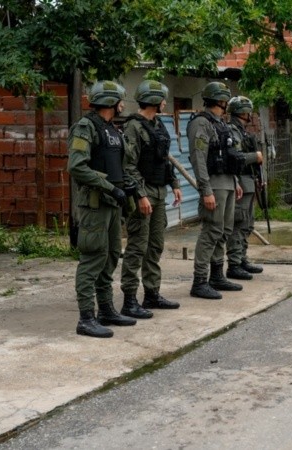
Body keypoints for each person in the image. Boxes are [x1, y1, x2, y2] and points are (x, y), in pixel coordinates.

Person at [68, 80, 137, 338]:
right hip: (96, 204)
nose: (122, 104)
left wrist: (126, 187)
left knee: (109, 257)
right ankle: (86, 317)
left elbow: (119, 165)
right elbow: (77, 166)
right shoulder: (86, 128)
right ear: (111, 102)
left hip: (112, 203)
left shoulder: (112, 130)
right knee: (92, 258)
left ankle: (106, 309)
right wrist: (108, 186)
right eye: (119, 99)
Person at [119, 80, 183, 318]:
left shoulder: (157, 125)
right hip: (143, 194)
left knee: (155, 245)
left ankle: (152, 294)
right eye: (163, 98)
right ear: (155, 100)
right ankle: (129, 300)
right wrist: (141, 195)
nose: (166, 102)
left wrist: (174, 184)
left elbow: (164, 158)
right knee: (137, 246)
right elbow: (128, 166)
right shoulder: (133, 127)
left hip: (159, 191)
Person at [186, 81, 244, 299]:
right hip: (214, 184)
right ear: (218, 99)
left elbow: (228, 154)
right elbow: (198, 158)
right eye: (224, 98)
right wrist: (205, 190)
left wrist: (235, 181)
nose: (227, 102)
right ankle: (200, 280)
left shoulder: (221, 123)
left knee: (224, 231)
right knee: (211, 230)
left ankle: (217, 275)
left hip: (227, 182)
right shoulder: (201, 123)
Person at [225, 96, 265, 280]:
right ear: (242, 112)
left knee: (248, 223)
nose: (250, 114)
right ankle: (234, 263)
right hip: (240, 181)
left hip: (249, 180)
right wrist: (255, 156)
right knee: (238, 223)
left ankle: (242, 258)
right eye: (248, 111)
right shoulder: (232, 131)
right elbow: (236, 157)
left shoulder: (242, 131)